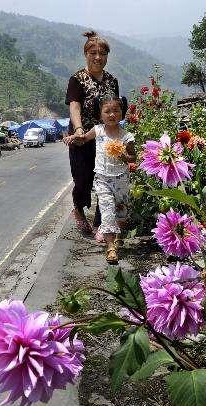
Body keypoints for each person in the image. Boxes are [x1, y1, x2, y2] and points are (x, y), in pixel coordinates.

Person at [64, 95, 136, 264]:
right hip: (102, 178)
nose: (112, 114)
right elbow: (83, 139)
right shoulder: (98, 130)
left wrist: (124, 156)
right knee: (107, 210)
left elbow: (133, 157)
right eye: (107, 111)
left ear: (122, 113)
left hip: (121, 179)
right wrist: (73, 137)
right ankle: (110, 247)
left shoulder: (127, 136)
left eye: (116, 110)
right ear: (100, 114)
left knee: (121, 212)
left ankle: (118, 237)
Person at [65, 30, 119, 235]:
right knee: (82, 180)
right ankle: (78, 209)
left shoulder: (112, 81)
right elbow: (75, 106)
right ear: (86, 54)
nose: (98, 57)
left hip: (104, 139)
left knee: (104, 179)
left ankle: (100, 221)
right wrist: (79, 129)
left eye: (102, 53)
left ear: (107, 56)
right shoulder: (77, 79)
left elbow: (114, 109)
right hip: (81, 139)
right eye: (93, 53)